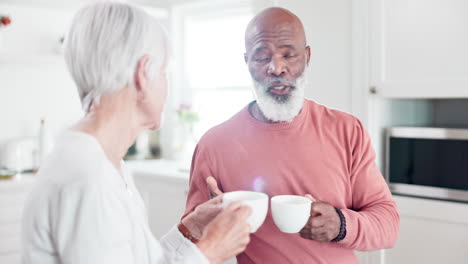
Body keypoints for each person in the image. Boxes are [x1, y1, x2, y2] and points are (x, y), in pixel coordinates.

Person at [21, 2, 251, 264]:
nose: (166, 86)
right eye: (164, 72)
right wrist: (209, 251)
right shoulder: (90, 180)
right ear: (143, 74)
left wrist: (190, 231)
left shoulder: (105, 161)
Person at [184, 7, 400, 264]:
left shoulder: (347, 130)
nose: (276, 68)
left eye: (288, 55)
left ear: (307, 57)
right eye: (262, 57)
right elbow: (188, 246)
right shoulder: (214, 144)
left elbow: (388, 226)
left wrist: (341, 224)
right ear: (247, 63)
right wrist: (208, 230)